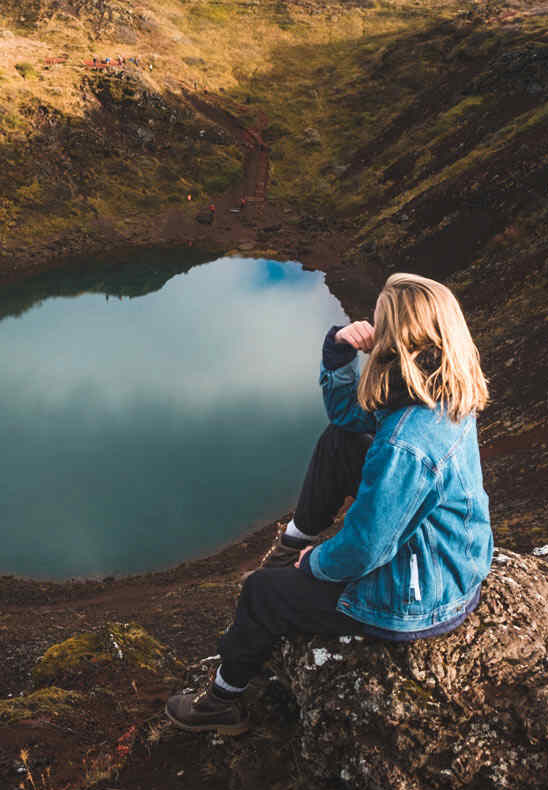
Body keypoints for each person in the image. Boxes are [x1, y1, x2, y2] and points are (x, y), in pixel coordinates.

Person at [165, 273, 493, 734]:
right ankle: (291, 541)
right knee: (341, 441)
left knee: (262, 594)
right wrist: (339, 349)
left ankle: (220, 702)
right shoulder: (439, 388)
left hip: (419, 597)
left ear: (400, 337)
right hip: (451, 562)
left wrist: (314, 563)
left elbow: (364, 549)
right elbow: (346, 416)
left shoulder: (406, 442)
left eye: (381, 325)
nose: (372, 333)